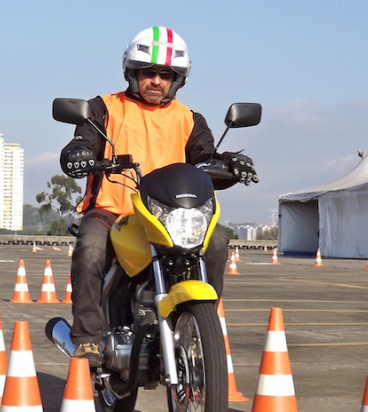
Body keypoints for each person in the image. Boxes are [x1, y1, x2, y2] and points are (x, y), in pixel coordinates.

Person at [60, 26, 257, 367]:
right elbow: (84, 141)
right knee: (90, 249)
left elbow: (204, 159)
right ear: (132, 73)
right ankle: (88, 338)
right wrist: (78, 151)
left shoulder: (189, 119)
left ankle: (198, 323)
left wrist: (230, 164)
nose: (156, 80)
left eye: (166, 75)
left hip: (169, 215)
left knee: (218, 242)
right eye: (148, 73)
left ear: (178, 80)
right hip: (114, 212)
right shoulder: (104, 108)